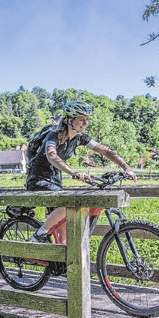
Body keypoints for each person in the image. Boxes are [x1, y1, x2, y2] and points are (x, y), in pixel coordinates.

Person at [25, 100, 137, 244]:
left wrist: (126, 167)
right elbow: (51, 156)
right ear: (70, 120)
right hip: (38, 179)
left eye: (86, 120)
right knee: (69, 203)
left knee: (63, 222)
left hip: (55, 181)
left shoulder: (79, 138)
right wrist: (74, 173)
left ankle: (60, 262)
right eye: (81, 120)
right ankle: (39, 235)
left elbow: (105, 151)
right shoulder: (53, 135)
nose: (85, 123)